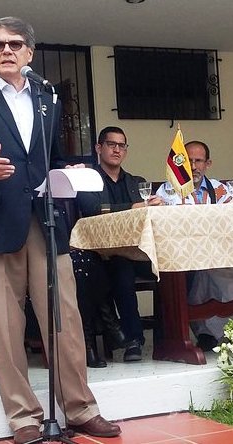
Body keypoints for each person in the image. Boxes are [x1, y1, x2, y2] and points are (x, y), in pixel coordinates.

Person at [0, 16, 120, 443]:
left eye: (16, 44)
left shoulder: (47, 98)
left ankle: (80, 409)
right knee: (6, 328)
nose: (7, 50)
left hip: (46, 222)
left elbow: (48, 158)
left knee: (65, 319)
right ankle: (23, 418)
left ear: (29, 52)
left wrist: (66, 168)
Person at [156, 140, 233, 351]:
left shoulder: (219, 189)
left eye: (198, 161)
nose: (193, 166)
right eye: (188, 161)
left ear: (208, 164)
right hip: (180, 255)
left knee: (227, 269)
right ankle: (212, 331)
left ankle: (228, 329)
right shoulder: (168, 190)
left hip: (219, 252)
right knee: (207, 270)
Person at [76, 126, 164, 362]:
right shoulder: (88, 180)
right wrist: (134, 207)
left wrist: (156, 205)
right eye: (111, 144)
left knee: (170, 265)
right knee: (121, 269)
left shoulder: (137, 183)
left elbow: (147, 216)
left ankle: (171, 336)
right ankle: (133, 341)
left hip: (139, 251)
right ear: (99, 148)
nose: (117, 150)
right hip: (103, 255)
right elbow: (92, 209)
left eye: (122, 145)